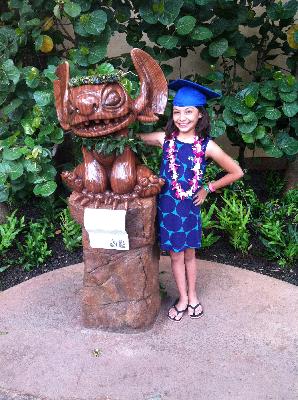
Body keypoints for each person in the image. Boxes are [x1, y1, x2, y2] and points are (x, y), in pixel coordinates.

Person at [139, 79, 244, 322]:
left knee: (190, 254)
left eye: (189, 112)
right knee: (176, 255)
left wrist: (209, 187)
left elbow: (236, 171)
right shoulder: (165, 141)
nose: (182, 117)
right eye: (177, 112)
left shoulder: (207, 146)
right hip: (168, 207)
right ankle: (183, 298)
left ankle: (194, 295)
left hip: (190, 207)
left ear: (200, 115)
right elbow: (135, 138)